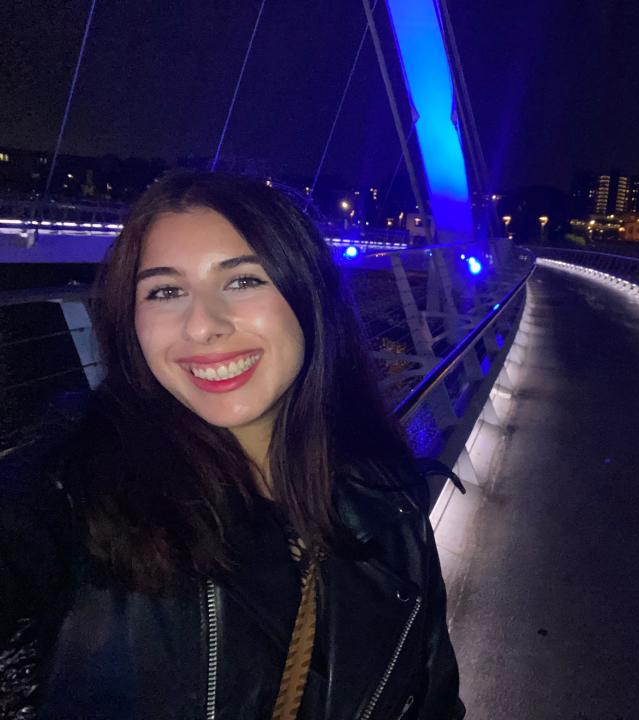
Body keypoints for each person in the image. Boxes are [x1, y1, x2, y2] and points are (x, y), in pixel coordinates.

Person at [0, 172, 466, 719]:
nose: (202, 326)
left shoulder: (393, 504)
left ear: (309, 296)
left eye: (243, 280)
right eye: (166, 291)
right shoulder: (68, 493)